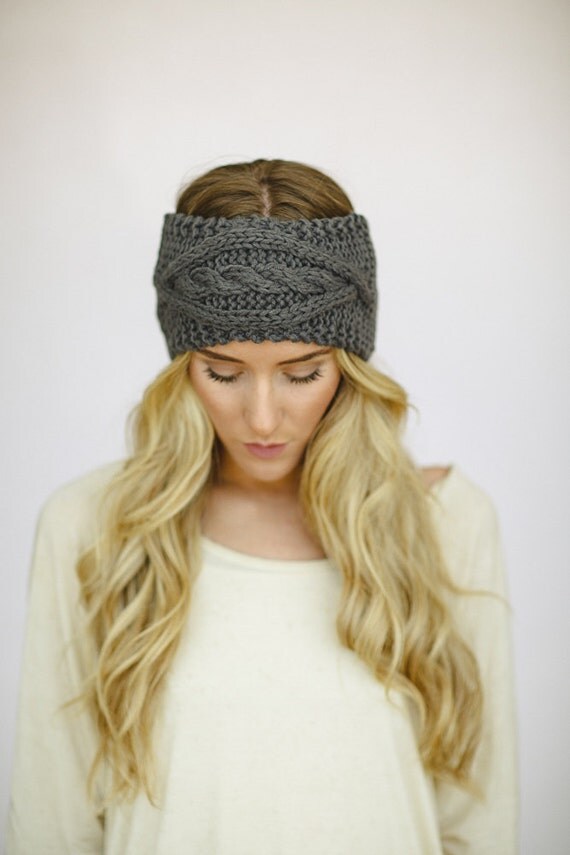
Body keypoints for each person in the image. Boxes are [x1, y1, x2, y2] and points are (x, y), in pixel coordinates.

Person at [6, 159, 518, 854]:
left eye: (303, 374)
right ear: (182, 366)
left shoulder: (447, 521)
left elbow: (481, 825)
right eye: (223, 372)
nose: (264, 417)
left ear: (349, 366)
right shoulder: (93, 527)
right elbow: (51, 824)